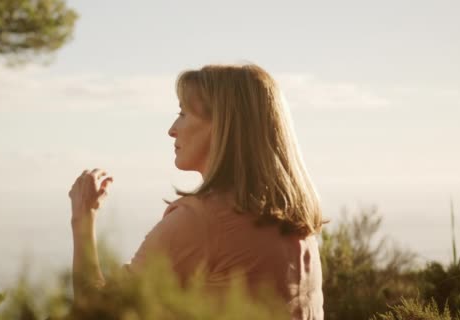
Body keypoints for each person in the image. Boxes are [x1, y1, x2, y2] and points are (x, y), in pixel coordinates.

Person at [69, 64, 324, 319]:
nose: (172, 129)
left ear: (222, 125)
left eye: (183, 113)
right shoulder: (296, 225)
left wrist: (83, 216)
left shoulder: (200, 223)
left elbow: (96, 309)